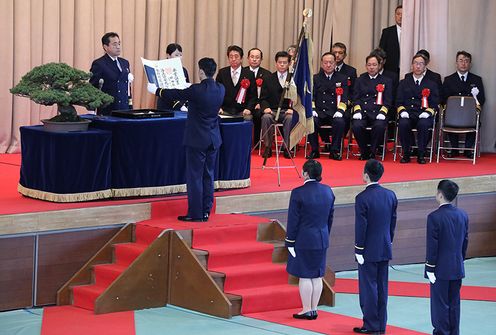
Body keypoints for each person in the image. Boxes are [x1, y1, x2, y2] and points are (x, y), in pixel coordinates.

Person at [147, 58, 224, 222]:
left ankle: (195, 214)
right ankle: (205, 211)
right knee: (208, 176)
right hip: (213, 138)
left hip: (197, 139)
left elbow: (174, 94)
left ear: (201, 71)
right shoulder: (220, 88)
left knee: (195, 177)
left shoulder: (196, 90)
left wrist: (157, 90)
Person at [285, 159, 335, 320]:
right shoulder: (328, 191)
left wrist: (290, 241)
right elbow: (330, 217)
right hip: (322, 237)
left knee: (305, 275)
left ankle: (306, 309)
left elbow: (293, 220)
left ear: (305, 173)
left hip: (304, 239)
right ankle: (314, 308)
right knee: (317, 275)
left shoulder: (298, 192)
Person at [354, 159, 398, 334]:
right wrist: (390, 240)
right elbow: (393, 221)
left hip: (368, 249)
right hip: (385, 246)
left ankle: (371, 324)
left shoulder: (362, 198)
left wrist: (359, 248)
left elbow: (361, 226)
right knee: (382, 287)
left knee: (369, 288)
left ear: (366, 175)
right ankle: (381, 324)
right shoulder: (390, 195)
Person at [425, 180, 468, 335]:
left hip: (440, 269)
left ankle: (442, 332)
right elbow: (465, 242)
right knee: (454, 304)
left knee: (440, 304)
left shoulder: (434, 217)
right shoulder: (463, 215)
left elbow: (433, 246)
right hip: (457, 266)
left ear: (440, 194)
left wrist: (430, 267)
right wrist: (459, 260)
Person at [396, 54, 440, 164]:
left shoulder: (431, 84)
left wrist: (428, 112)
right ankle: (406, 153)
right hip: (408, 112)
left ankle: (421, 153)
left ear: (425, 66)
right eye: (416, 63)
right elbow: (398, 101)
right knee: (403, 123)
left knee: (424, 124)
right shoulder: (404, 82)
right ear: (412, 65)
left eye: (421, 64)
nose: (418, 66)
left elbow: (435, 103)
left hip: (423, 113)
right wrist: (402, 111)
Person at [442, 51, 485, 158]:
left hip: (469, 114)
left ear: (470, 64)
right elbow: (443, 98)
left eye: (466, 61)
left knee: (474, 119)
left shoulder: (477, 79)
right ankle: (454, 149)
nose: (463, 63)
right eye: (461, 60)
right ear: (456, 63)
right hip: (453, 114)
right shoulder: (449, 80)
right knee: (450, 119)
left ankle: (468, 150)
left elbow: (482, 99)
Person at [308, 52, 349, 160]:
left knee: (340, 122)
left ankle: (334, 151)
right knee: (311, 121)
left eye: (331, 62)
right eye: (325, 62)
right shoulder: (315, 78)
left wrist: (340, 111)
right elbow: (311, 96)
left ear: (335, 63)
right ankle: (314, 150)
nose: (328, 65)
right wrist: (312, 109)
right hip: (320, 111)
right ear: (322, 64)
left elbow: (344, 97)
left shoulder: (342, 78)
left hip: (334, 111)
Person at [351, 55, 393, 160]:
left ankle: (373, 151)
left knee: (379, 126)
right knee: (356, 126)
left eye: (374, 65)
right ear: (366, 66)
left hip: (378, 113)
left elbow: (388, 100)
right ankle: (364, 151)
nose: (371, 67)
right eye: (369, 65)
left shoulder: (386, 81)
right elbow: (356, 98)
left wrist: (383, 112)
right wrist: (358, 111)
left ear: (379, 66)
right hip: (363, 112)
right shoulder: (360, 79)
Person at [259, 51, 294, 159]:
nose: (282, 65)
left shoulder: (293, 78)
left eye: (284, 62)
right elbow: (263, 98)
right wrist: (266, 108)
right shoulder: (268, 78)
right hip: (272, 110)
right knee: (266, 117)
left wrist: (292, 109)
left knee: (290, 118)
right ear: (276, 63)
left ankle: (287, 147)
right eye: (280, 62)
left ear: (288, 64)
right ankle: (268, 147)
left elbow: (298, 98)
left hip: (286, 111)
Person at [90, 32, 133, 115]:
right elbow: (93, 87)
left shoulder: (125, 63)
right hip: (108, 109)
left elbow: (128, 88)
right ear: (105, 47)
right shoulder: (99, 64)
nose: (118, 47)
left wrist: (130, 105)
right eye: (114, 44)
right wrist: (91, 109)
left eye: (119, 44)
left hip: (125, 108)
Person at [216, 45, 256, 119]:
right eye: (231, 57)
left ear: (241, 59)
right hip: (224, 110)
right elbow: (216, 92)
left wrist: (249, 109)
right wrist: (218, 107)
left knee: (248, 119)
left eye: (236, 56)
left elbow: (253, 96)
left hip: (243, 111)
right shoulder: (222, 72)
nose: (233, 59)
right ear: (228, 58)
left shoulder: (249, 74)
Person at [245, 48, 272, 145]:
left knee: (258, 115)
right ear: (248, 58)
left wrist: (260, 104)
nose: (254, 59)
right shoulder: (242, 72)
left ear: (261, 59)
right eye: (252, 57)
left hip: (260, 105)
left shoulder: (267, 74)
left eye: (257, 57)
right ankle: (244, 141)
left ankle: (256, 142)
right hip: (245, 105)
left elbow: (268, 94)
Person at [156, 43, 190, 111]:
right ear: (168, 55)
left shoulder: (184, 70)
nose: (179, 57)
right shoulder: (162, 70)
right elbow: (163, 91)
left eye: (180, 55)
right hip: (166, 106)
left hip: (182, 105)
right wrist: (178, 105)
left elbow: (187, 90)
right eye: (176, 55)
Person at [379, 5, 402, 76]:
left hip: (408, 69)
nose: (400, 16)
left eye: (403, 14)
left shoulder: (413, 32)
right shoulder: (387, 32)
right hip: (390, 69)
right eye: (398, 14)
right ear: (395, 15)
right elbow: (381, 51)